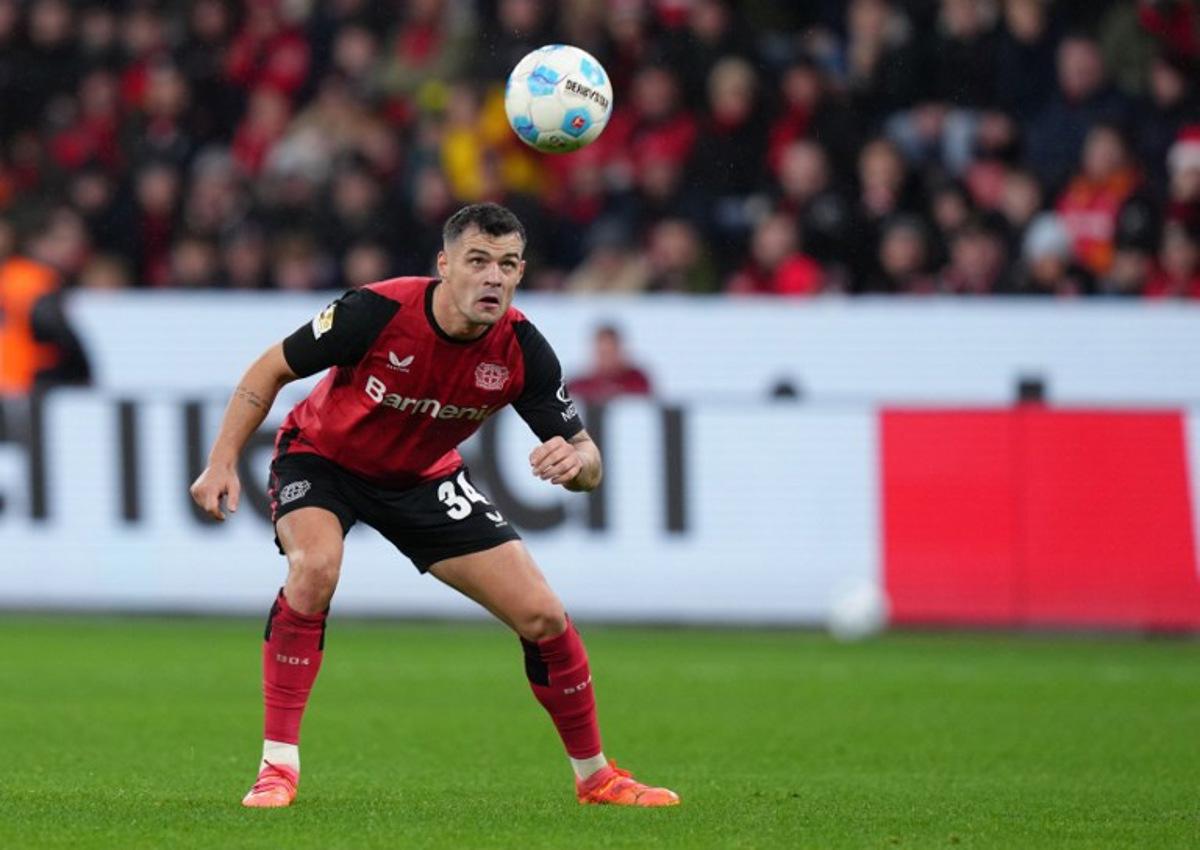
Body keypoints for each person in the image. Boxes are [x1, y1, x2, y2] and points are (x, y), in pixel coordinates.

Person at [189, 203, 678, 809]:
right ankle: (277, 768)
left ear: (521, 273)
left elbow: (588, 461)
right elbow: (271, 368)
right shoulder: (375, 310)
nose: (493, 277)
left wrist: (579, 465)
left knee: (544, 617)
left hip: (423, 481)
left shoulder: (522, 348)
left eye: (507, 265)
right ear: (445, 265)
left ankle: (596, 777)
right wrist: (222, 459)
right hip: (322, 460)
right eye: (478, 261)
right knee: (315, 568)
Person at [567, 325, 653, 403]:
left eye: (611, 351)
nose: (607, 358)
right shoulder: (578, 385)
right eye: (603, 352)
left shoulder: (636, 380)